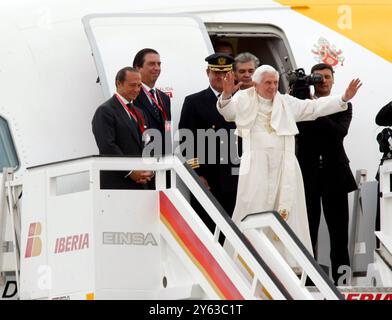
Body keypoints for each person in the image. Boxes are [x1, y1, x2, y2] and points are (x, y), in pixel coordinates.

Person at [217, 64, 362, 266]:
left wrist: (343, 98)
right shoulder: (244, 98)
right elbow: (229, 113)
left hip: (284, 167)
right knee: (252, 207)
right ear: (257, 84)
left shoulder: (286, 102)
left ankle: (289, 265)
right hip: (257, 167)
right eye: (268, 82)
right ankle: (246, 262)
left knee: (289, 214)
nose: (272, 86)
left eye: (275, 82)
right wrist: (225, 95)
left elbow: (313, 108)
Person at [296, 63, 357, 284]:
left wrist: (317, 111)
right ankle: (308, 284)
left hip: (336, 177)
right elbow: (298, 131)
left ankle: (343, 285)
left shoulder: (343, 105)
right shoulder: (300, 105)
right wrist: (307, 104)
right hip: (308, 176)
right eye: (318, 77)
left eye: (327, 77)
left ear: (333, 80)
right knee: (307, 233)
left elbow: (338, 133)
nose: (323, 81)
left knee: (339, 237)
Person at [179, 53, 240, 233]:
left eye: (225, 74)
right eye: (216, 73)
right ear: (208, 73)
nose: (221, 78)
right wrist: (197, 173)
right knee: (206, 229)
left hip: (235, 177)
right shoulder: (194, 102)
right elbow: (186, 141)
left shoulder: (241, 100)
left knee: (234, 231)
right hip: (209, 179)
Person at [92, 67, 154, 189]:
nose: (137, 90)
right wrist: (130, 171)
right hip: (118, 183)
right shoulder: (105, 111)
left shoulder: (140, 112)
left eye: (139, 85)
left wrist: (149, 170)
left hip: (142, 182)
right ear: (118, 83)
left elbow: (147, 143)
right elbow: (107, 146)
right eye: (132, 85)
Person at [133, 48, 172, 156]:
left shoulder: (164, 98)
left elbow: (167, 129)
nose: (157, 68)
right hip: (143, 162)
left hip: (163, 163)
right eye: (151, 64)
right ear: (137, 67)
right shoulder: (131, 96)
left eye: (159, 64)